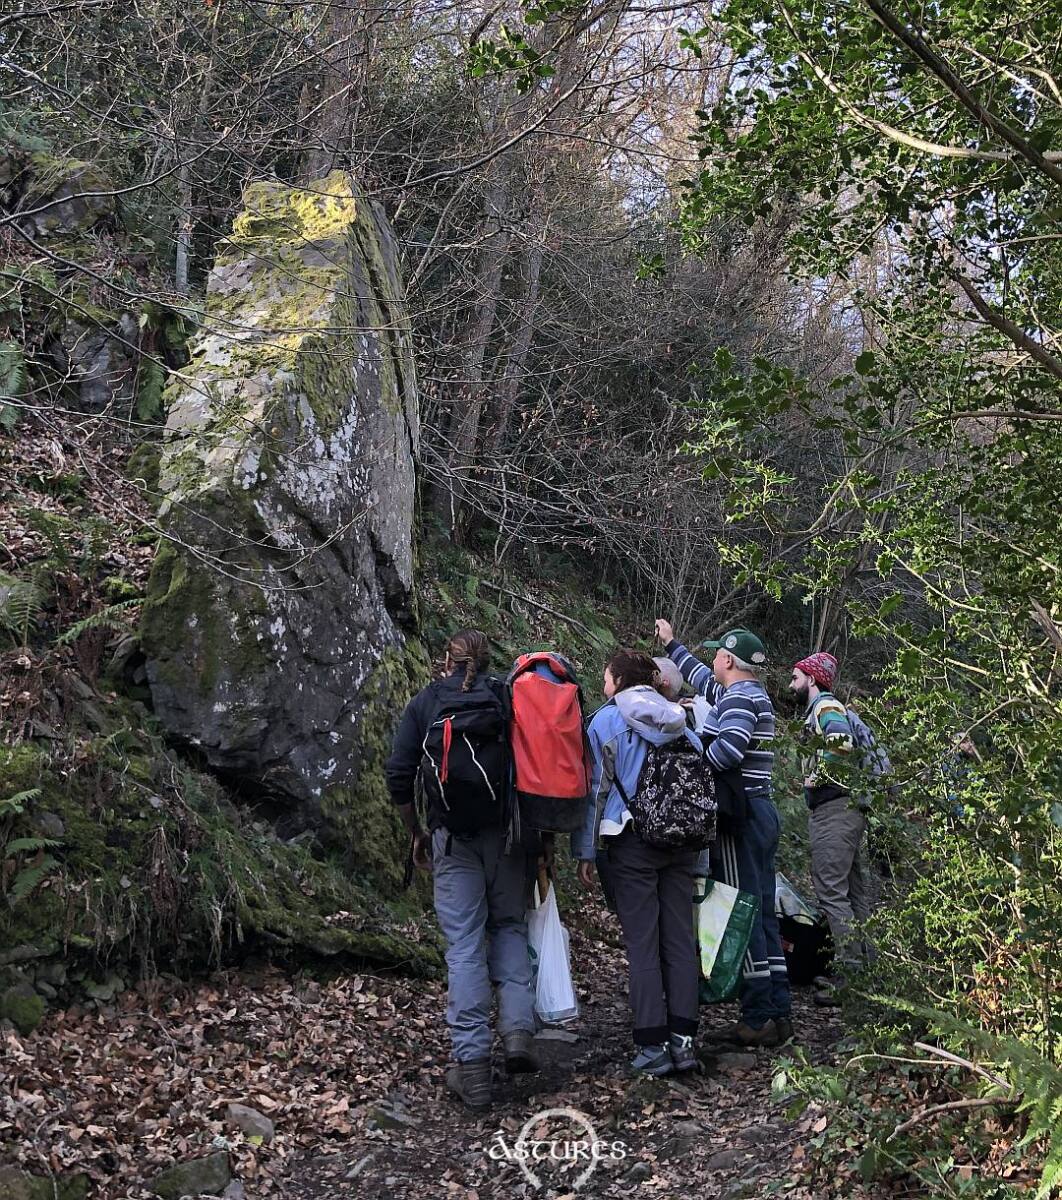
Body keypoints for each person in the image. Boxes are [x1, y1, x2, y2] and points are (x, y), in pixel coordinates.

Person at [385, 630, 538, 1111]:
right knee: (510, 927)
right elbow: (534, 767)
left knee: (465, 946)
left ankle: (473, 1069)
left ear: (443, 660)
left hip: (451, 840)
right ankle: (517, 1036)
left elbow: (398, 774)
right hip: (508, 838)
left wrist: (418, 831)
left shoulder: (426, 702)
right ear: (489, 659)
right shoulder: (506, 696)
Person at [656, 620, 792, 1046]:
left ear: (729, 659)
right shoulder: (746, 694)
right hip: (761, 812)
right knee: (764, 912)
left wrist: (691, 766)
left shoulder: (739, 702)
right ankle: (778, 1010)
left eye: (716, 653)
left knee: (742, 910)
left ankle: (756, 1018)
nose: (711, 658)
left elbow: (728, 750)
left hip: (741, 817)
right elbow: (700, 678)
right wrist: (672, 644)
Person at [574, 648, 703, 1076]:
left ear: (620, 681)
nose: (603, 685)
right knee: (681, 941)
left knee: (643, 944)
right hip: (682, 844)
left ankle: (652, 1046)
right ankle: (684, 1041)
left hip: (631, 841)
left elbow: (596, 792)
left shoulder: (606, 722)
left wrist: (587, 851)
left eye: (606, 677)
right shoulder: (681, 719)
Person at [789, 651, 867, 1006]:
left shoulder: (825, 707)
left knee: (832, 892)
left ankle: (850, 977)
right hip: (847, 807)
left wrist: (815, 777)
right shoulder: (824, 708)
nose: (791, 683)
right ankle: (869, 970)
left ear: (812, 680)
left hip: (834, 809)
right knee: (852, 893)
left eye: (796, 677)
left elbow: (841, 744)